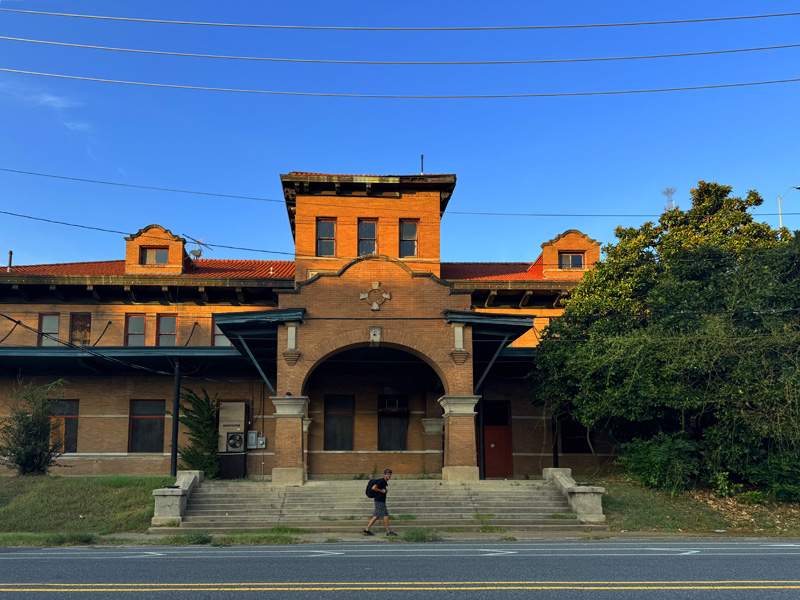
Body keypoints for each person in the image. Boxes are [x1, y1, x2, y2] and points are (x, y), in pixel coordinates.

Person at [364, 469, 397, 536]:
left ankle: (367, 530)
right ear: (384, 474)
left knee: (377, 516)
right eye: (387, 474)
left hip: (379, 500)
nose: (389, 476)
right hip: (380, 501)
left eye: (390, 474)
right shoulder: (381, 481)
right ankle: (388, 532)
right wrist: (382, 491)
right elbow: (374, 488)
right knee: (386, 516)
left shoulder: (384, 482)